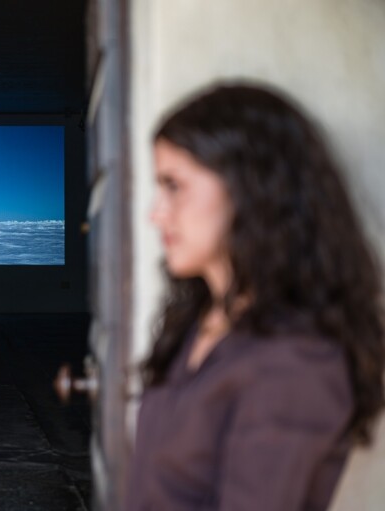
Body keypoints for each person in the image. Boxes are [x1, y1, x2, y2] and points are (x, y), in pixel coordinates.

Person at [126, 83, 385, 510]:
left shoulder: (295, 359)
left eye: (174, 186)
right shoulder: (201, 321)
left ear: (248, 187)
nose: (156, 214)